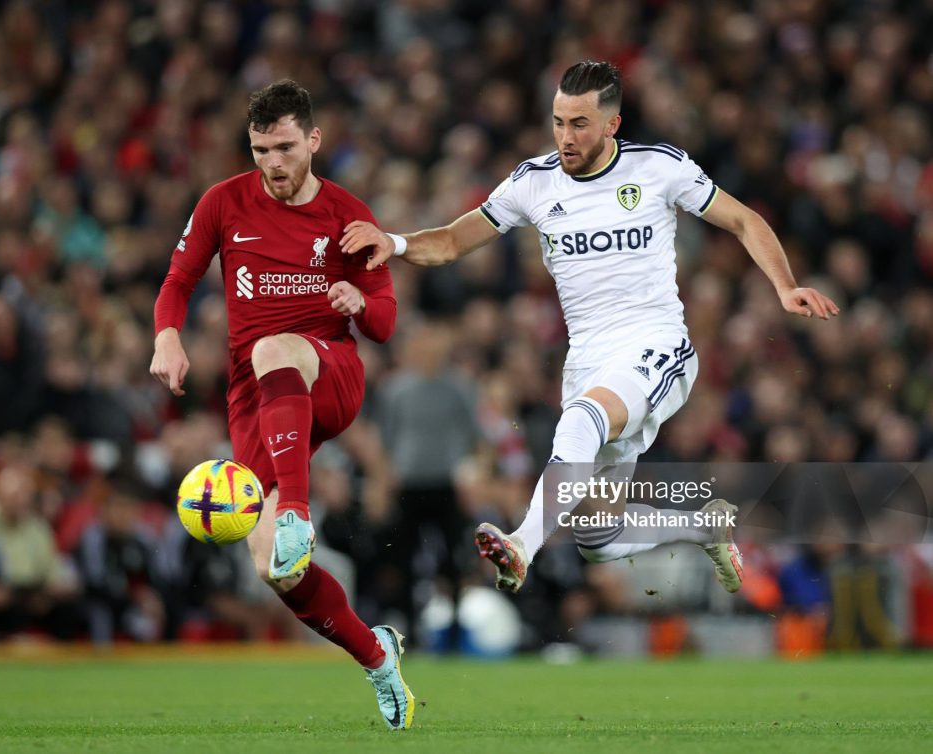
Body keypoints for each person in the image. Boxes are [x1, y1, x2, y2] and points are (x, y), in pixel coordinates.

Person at [341, 60, 839, 596]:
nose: (565, 136)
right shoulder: (532, 183)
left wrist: (785, 286)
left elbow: (744, 219)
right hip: (588, 359)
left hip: (655, 344)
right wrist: (392, 243)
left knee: (585, 416)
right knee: (597, 537)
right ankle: (703, 527)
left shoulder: (658, 167)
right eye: (558, 121)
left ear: (612, 125)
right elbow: (452, 242)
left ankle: (522, 544)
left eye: (579, 123)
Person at [150, 80, 414, 730]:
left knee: (274, 349)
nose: (273, 162)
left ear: (314, 141)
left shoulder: (348, 215)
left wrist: (360, 305)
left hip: (329, 373)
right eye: (261, 148)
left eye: (286, 147)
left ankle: (298, 510)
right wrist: (167, 336)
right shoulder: (223, 202)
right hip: (256, 398)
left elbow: (384, 320)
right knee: (272, 567)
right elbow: (178, 280)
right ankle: (379, 659)